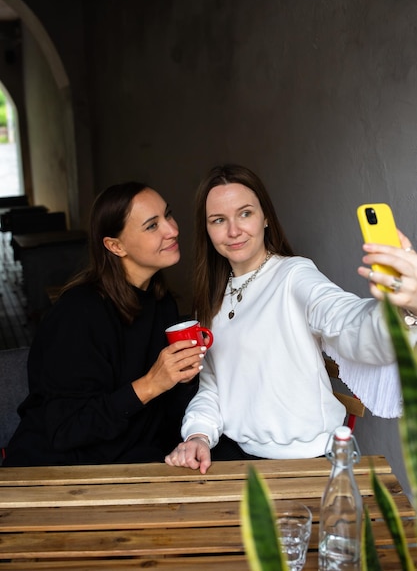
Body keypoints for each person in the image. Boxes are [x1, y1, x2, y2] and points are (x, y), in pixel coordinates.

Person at [165, 164, 417, 474]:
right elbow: (214, 387)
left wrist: (407, 308)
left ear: (266, 217)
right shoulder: (213, 299)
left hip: (310, 463)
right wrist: (199, 435)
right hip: (239, 457)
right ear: (207, 229)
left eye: (245, 213)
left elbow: (346, 321)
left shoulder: (294, 275)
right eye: (219, 220)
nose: (233, 231)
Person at [3, 182, 205, 466]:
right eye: (151, 226)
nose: (172, 230)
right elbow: (66, 429)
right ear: (115, 245)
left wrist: (184, 380)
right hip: (56, 470)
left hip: (130, 459)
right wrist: (151, 384)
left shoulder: (162, 303)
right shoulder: (78, 313)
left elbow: (161, 415)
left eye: (167, 215)